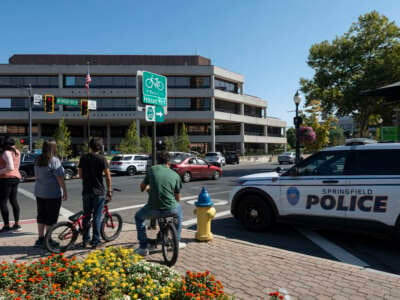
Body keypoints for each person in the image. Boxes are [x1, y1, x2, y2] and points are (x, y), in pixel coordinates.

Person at [134, 151, 185, 256]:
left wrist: (145, 188)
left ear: (157, 161)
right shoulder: (175, 175)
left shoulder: (152, 170)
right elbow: (177, 197)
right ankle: (177, 241)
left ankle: (143, 247)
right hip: (171, 208)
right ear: (169, 162)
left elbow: (142, 186)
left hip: (153, 208)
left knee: (138, 217)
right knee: (179, 214)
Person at [78, 138, 112, 249]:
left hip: (86, 190)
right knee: (97, 216)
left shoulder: (83, 158)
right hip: (98, 191)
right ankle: (96, 241)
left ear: (90, 146)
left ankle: (85, 240)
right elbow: (107, 176)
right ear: (100, 147)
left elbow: (80, 175)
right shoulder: (102, 159)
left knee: (86, 216)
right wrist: (109, 190)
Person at [33, 140, 67, 247]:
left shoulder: (38, 159)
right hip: (52, 194)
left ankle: (41, 238)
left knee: (41, 215)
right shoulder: (54, 161)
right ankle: (49, 240)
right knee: (51, 217)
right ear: (53, 148)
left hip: (39, 192)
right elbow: (60, 178)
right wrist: (65, 191)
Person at [0, 136, 22, 233]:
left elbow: (10, 167)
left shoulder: (6, 153)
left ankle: (6, 225)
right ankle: (17, 224)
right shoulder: (17, 152)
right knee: (13, 200)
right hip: (16, 177)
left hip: (6, 178)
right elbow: (16, 166)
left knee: (3, 202)